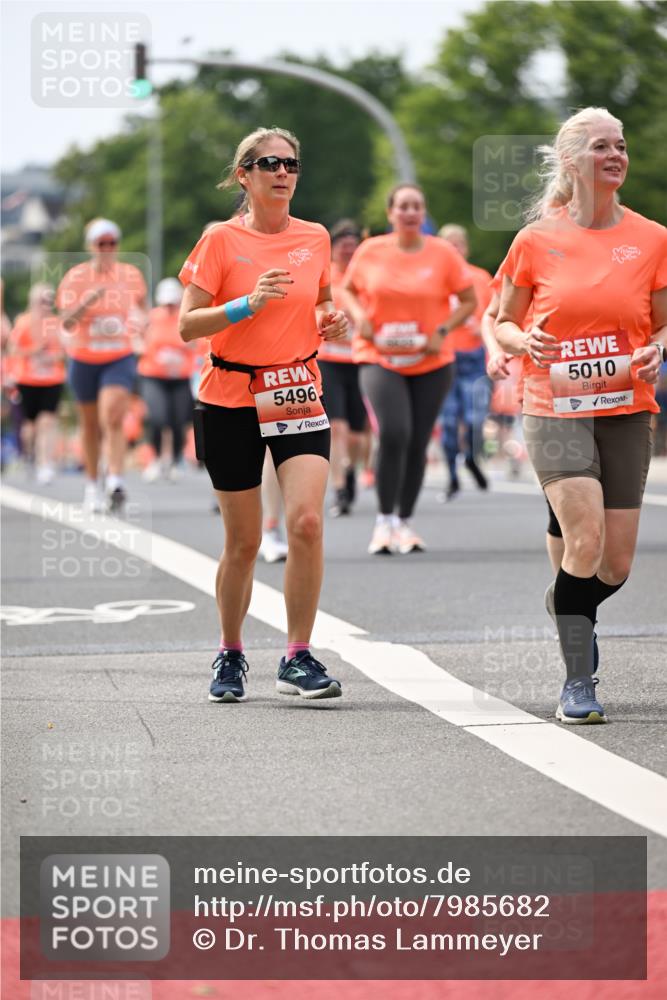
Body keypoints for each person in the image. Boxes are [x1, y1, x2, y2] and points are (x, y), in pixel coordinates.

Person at [496, 106, 667, 724]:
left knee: (614, 564)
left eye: (621, 145)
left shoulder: (651, 237)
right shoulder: (537, 239)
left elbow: (663, 319)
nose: (616, 154)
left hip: (626, 408)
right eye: (602, 146)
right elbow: (503, 321)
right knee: (585, 539)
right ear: (572, 162)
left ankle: (569, 603)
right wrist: (521, 343)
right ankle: (577, 680)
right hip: (553, 404)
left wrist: (659, 348)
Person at [178, 126, 348, 703]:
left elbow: (321, 297)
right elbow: (188, 323)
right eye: (269, 163)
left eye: (292, 164)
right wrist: (245, 304)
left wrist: (331, 317)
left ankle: (297, 656)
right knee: (245, 540)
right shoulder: (221, 241)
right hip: (230, 397)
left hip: (297, 386)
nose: (283, 172)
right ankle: (230, 652)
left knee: (306, 522)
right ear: (243, 175)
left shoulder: (316, 237)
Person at [344, 183, 476, 554]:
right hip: (379, 356)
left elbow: (469, 299)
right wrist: (359, 317)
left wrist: (443, 330)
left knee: (418, 440)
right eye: (403, 206)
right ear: (390, 213)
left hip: (431, 359)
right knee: (395, 431)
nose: (410, 212)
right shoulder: (371, 251)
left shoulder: (443, 254)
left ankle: (404, 522)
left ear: (424, 213)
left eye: (416, 206)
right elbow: (348, 289)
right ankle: (383, 522)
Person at [56, 218, 147, 513]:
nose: (107, 249)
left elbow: (142, 309)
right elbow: (66, 321)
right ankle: (92, 485)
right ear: (90, 247)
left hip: (118, 355)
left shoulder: (130, 275)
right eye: (101, 244)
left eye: (112, 243)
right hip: (84, 357)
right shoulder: (76, 277)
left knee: (113, 415)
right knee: (90, 425)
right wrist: (87, 301)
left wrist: (138, 326)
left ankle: (115, 481)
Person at [437, 224, 493, 499]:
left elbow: (496, 314)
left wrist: (481, 326)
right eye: (448, 244)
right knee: (448, 421)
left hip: (472, 357)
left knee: (475, 416)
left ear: (466, 247)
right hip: (444, 358)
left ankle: (471, 456)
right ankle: (451, 475)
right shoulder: (434, 279)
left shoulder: (480, 278)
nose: (454, 249)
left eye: (458, 243)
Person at [317, 219, 368, 516]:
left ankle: (350, 470)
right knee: (337, 427)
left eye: (353, 248)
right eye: (343, 248)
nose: (349, 253)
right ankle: (339, 488)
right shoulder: (325, 277)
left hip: (361, 360)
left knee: (358, 436)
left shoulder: (366, 276)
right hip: (329, 360)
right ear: (333, 250)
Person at [138, 277, 197, 482]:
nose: (170, 307)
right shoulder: (152, 318)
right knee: (158, 417)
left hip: (180, 376)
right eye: (167, 303)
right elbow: (137, 337)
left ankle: (175, 460)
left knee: (179, 420)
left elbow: (195, 343)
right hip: (154, 376)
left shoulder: (185, 317)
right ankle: (154, 459)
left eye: (173, 302)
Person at [9, 283, 66, 484]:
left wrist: (53, 357)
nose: (45, 305)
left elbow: (65, 350)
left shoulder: (56, 324)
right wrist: (35, 351)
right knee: (29, 426)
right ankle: (28, 456)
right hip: (27, 380)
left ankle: (45, 464)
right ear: (33, 302)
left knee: (47, 422)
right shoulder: (23, 323)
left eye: (48, 301)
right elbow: (13, 350)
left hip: (52, 379)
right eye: (41, 301)